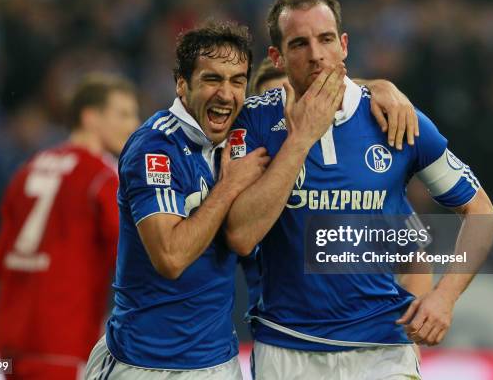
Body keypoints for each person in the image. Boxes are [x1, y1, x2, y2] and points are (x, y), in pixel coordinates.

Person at [83, 20, 419, 379]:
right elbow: (171, 257)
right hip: (145, 363)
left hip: (219, 363)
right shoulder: (156, 147)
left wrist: (380, 87)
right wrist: (229, 187)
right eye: (212, 79)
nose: (226, 94)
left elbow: (306, 91)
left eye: (237, 81)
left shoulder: (238, 133)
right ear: (182, 84)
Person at [225, 0, 493, 379]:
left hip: (382, 352)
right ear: (277, 57)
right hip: (287, 348)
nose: (316, 54)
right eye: (299, 43)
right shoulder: (255, 123)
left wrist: (445, 297)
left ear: (344, 44)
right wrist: (301, 138)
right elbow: (241, 236)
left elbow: (481, 212)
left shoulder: (396, 117)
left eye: (326, 39)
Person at [0, 73, 140, 380]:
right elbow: (128, 261)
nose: (134, 125)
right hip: (64, 338)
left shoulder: (28, 169)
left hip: (11, 337)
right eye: (123, 114)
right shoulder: (102, 176)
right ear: (90, 117)